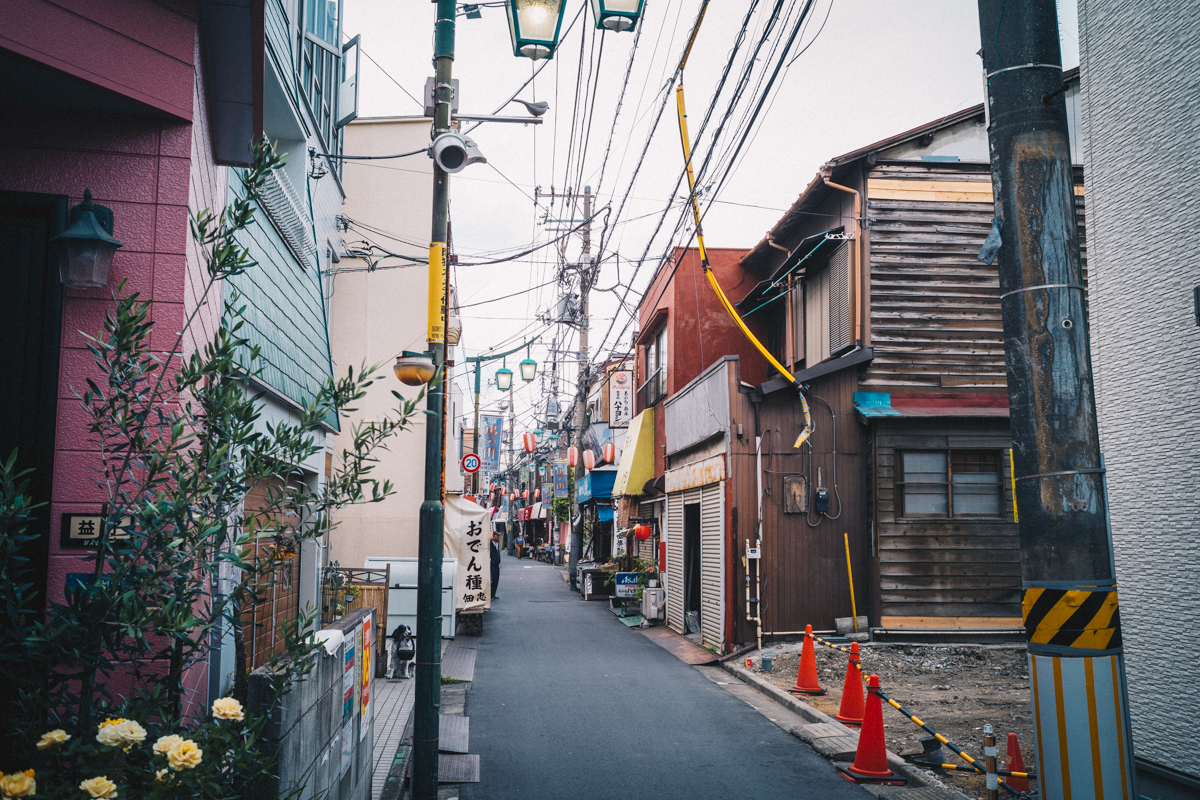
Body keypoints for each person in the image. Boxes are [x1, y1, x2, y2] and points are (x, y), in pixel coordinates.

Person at [490, 532, 501, 599]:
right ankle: (490, 594)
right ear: (494, 537)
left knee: (496, 580)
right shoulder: (490, 544)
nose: (499, 537)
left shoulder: (497, 544)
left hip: (497, 564)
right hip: (492, 564)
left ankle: (493, 594)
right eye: (497, 536)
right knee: (492, 579)